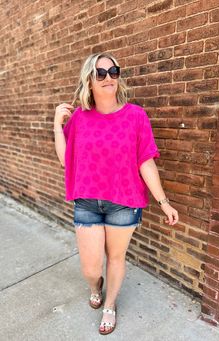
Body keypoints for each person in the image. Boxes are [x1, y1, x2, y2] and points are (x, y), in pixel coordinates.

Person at [53, 52, 179, 335]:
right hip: (87, 200)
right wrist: (57, 126)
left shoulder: (135, 115)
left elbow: (145, 161)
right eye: (101, 73)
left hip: (124, 202)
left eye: (114, 71)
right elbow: (66, 161)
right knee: (91, 267)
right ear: (90, 80)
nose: (109, 77)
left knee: (117, 257)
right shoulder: (81, 118)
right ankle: (95, 286)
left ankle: (110, 304)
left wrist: (164, 202)